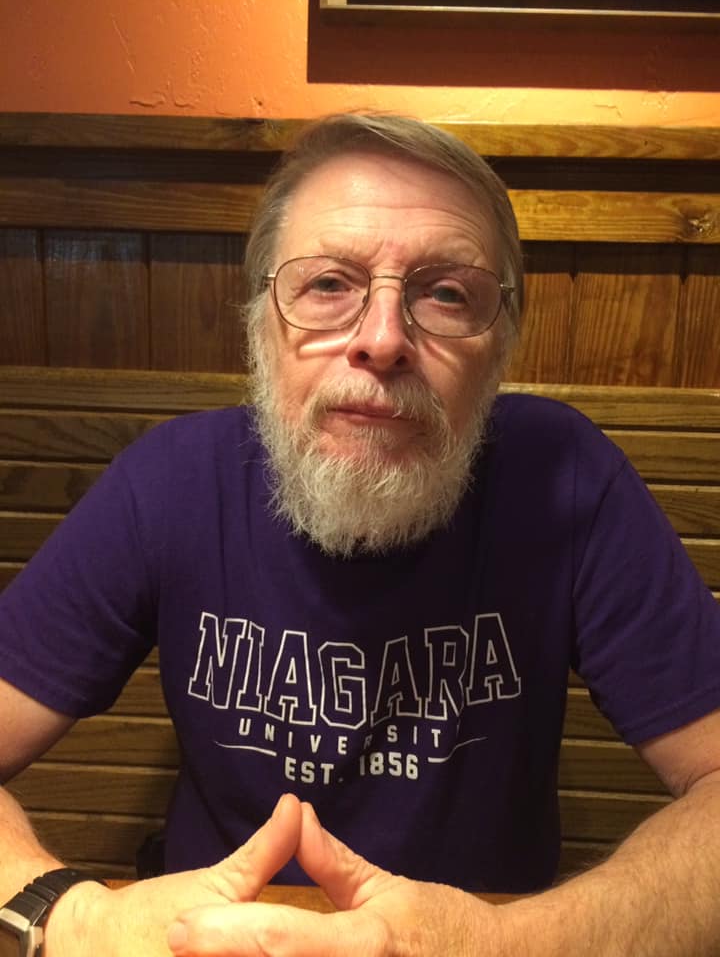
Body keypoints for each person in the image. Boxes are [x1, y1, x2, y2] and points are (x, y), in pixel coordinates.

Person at [1, 112, 719, 956]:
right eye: (328, 285)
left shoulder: (567, 478)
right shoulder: (168, 482)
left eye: (446, 293)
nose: (381, 340)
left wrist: (509, 943)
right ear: (260, 325)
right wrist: (72, 914)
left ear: (499, 347)